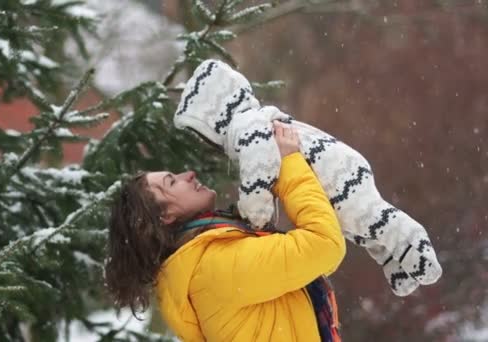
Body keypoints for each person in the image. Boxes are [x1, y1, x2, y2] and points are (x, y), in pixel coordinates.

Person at [105, 121, 346, 341]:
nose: (188, 175)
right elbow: (325, 244)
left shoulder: (203, 262)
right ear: (166, 216)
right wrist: (289, 163)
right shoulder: (214, 268)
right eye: (171, 182)